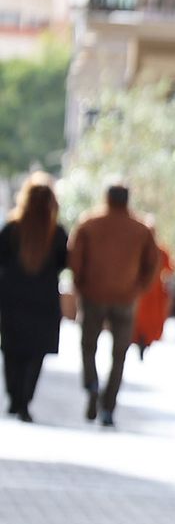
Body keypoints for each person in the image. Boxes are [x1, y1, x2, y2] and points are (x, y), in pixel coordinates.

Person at [68, 183, 161, 427]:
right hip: (126, 298)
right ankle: (108, 407)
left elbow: (74, 257)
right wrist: (139, 287)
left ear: (106, 198)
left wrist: (80, 284)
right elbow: (154, 262)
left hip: (93, 295)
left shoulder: (89, 223)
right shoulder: (141, 229)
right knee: (119, 353)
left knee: (88, 345)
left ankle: (91, 384)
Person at [0, 173, 71, 423]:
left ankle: (14, 396)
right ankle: (24, 400)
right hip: (43, 301)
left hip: (13, 298)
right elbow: (65, 262)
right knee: (34, 354)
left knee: (12, 350)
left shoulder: (12, 229)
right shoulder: (57, 233)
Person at [133, 243, 174, 358]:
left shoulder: (160, 252)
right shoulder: (138, 249)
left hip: (154, 293)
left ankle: (145, 340)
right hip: (143, 292)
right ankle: (140, 338)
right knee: (140, 318)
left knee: (152, 318)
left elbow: (169, 271)